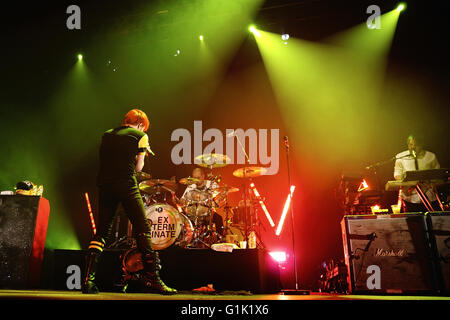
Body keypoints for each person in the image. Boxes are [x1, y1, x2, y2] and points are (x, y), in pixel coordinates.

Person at [81, 108, 177, 295]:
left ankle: (87, 281)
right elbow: (138, 167)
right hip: (125, 184)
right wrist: (140, 152)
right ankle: (152, 279)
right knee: (143, 228)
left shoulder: (107, 134)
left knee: (101, 232)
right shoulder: (140, 135)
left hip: (105, 185)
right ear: (141, 125)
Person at [394, 134, 441, 212]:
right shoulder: (400, 157)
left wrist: (428, 184)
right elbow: (397, 175)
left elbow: (438, 175)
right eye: (411, 145)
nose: (413, 147)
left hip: (428, 197)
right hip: (409, 198)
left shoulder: (431, 156)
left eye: (416, 145)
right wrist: (409, 183)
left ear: (421, 145)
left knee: (431, 221)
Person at [178, 168, 224, 237]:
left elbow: (218, 199)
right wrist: (177, 201)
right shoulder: (190, 186)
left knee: (219, 219)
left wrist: (220, 198)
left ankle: (219, 241)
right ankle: (182, 239)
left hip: (207, 213)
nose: (196, 180)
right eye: (194, 178)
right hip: (192, 213)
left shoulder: (211, 184)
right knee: (179, 217)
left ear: (203, 176)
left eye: (198, 178)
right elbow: (182, 201)